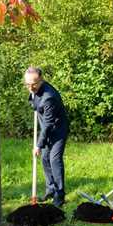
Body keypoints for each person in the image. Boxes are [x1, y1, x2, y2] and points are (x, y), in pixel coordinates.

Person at [24, 66, 69, 207]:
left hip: (58, 130)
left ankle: (60, 195)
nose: (31, 87)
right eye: (27, 84)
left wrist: (38, 145)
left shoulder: (49, 97)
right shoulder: (34, 90)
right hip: (46, 127)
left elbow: (49, 125)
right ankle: (51, 190)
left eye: (34, 84)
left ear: (41, 80)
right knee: (44, 159)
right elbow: (34, 102)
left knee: (54, 159)